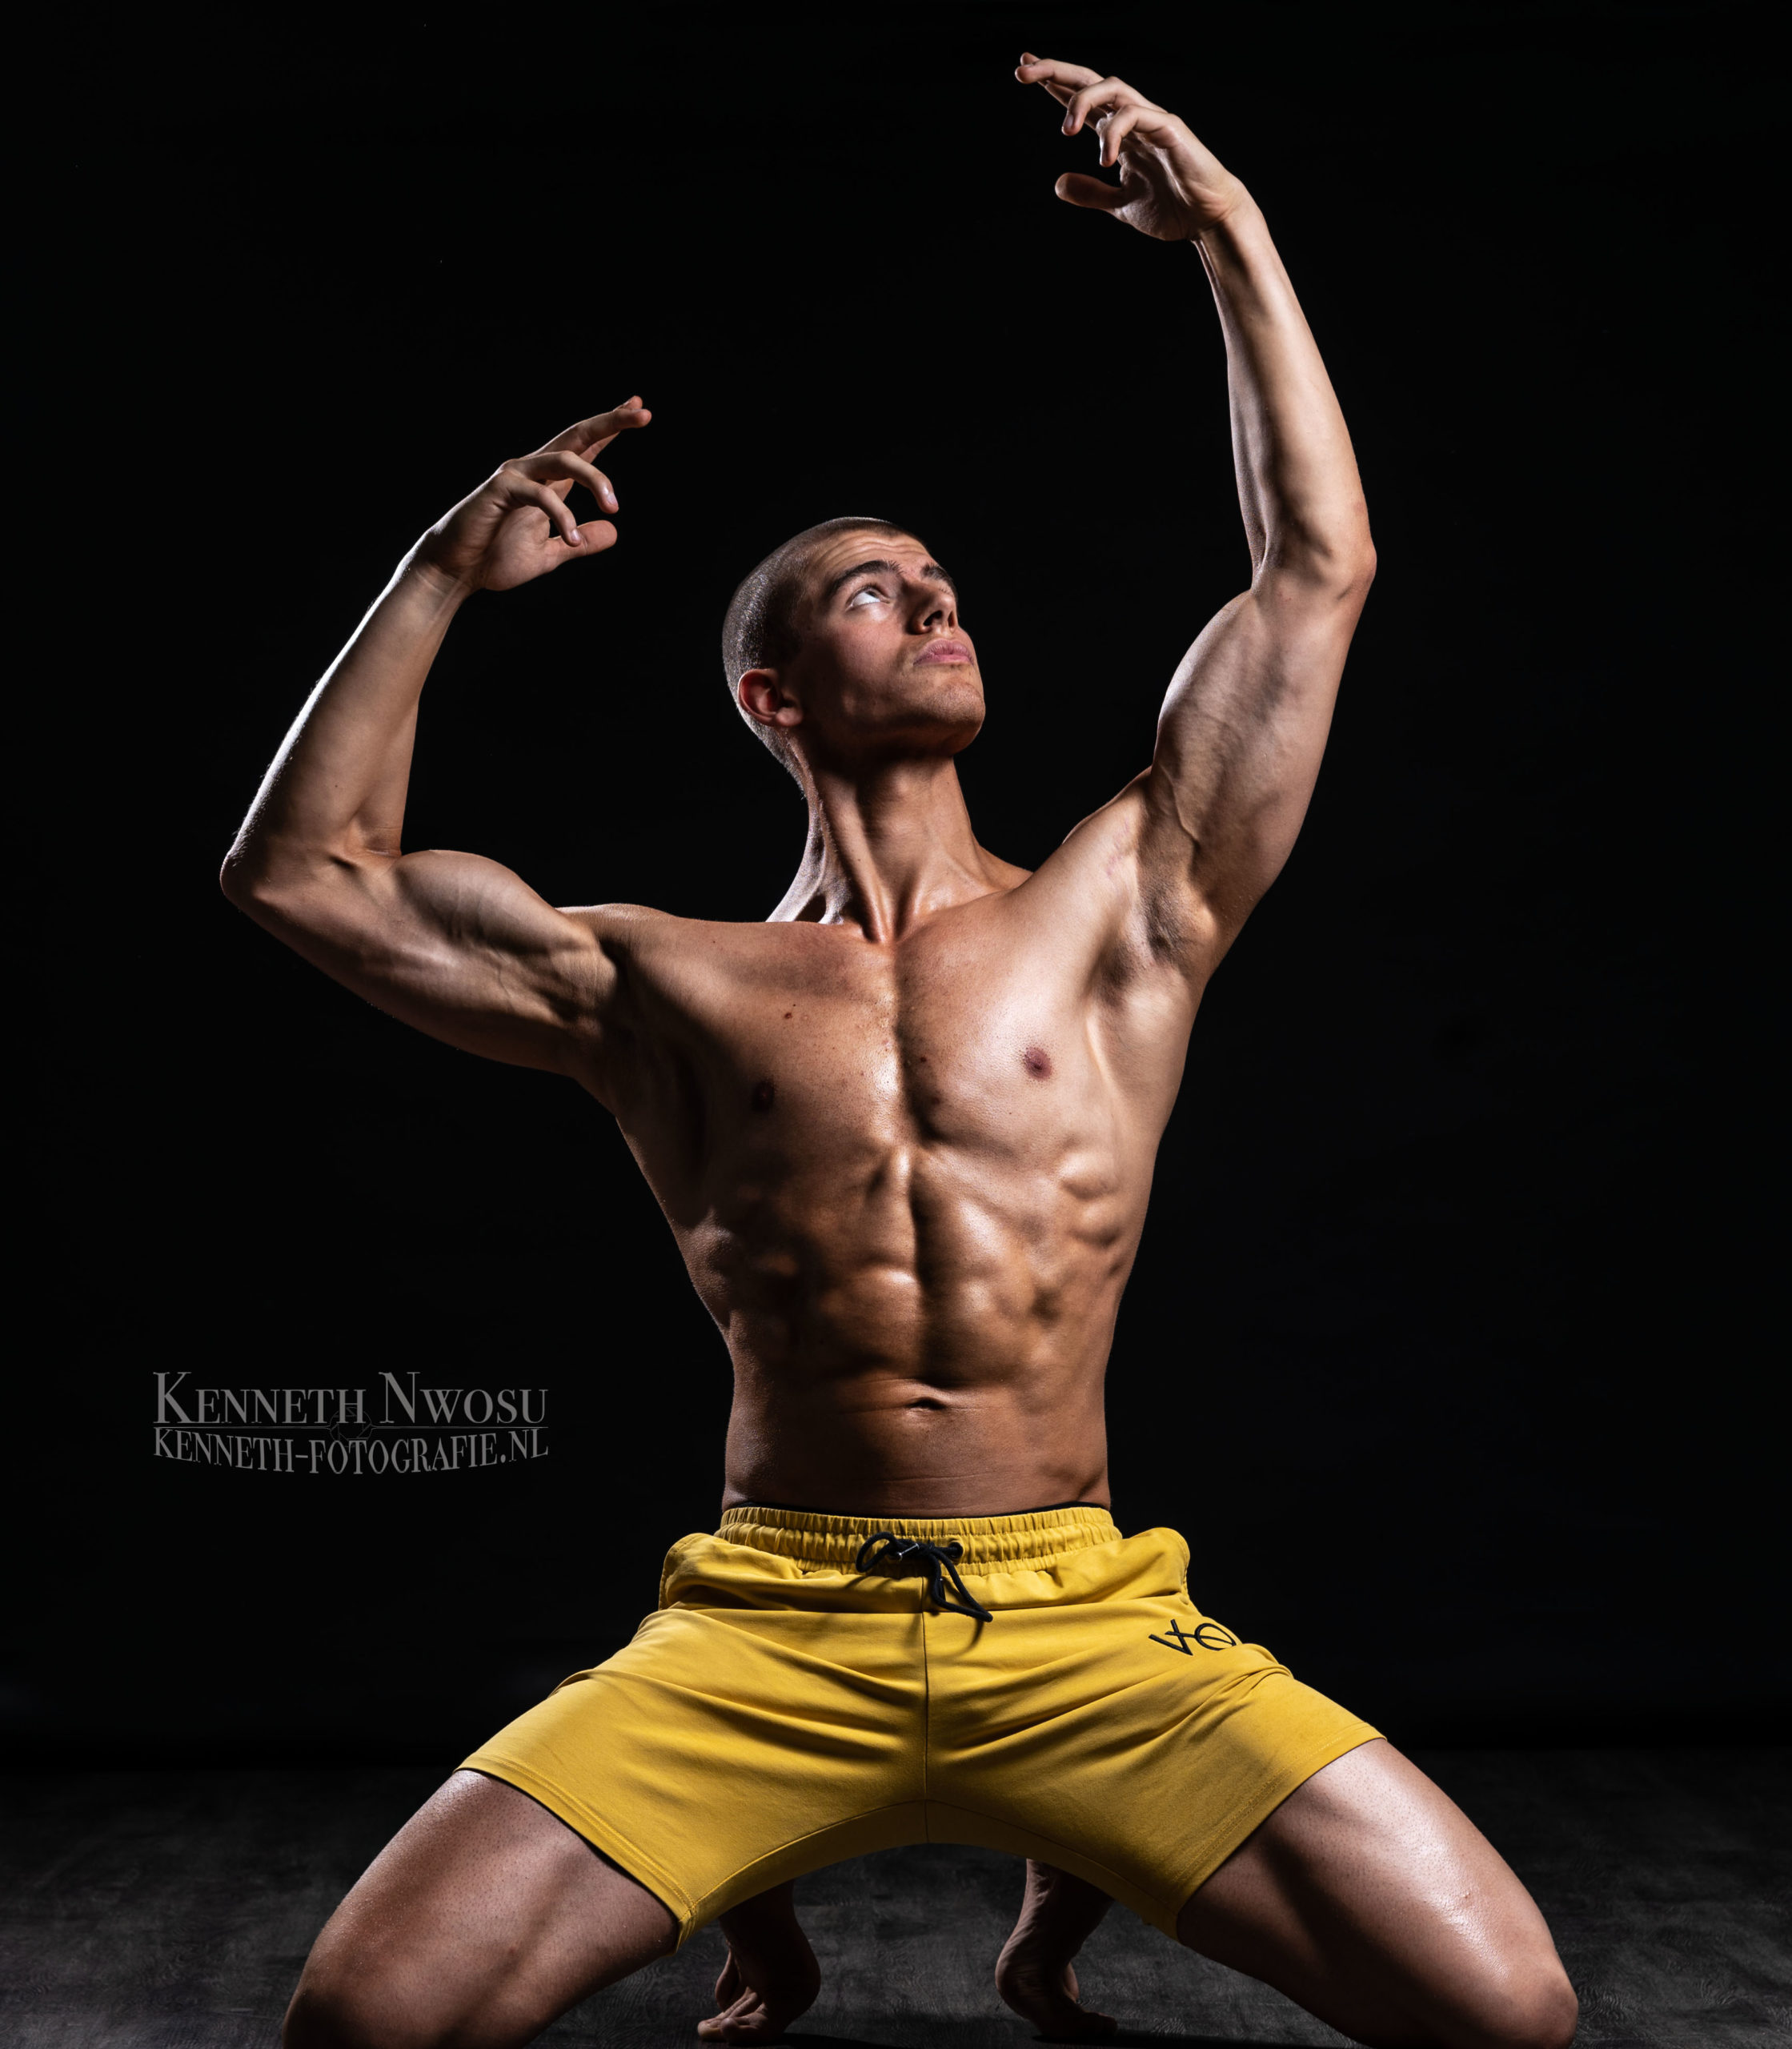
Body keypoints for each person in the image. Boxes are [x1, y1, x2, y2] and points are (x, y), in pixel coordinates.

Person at [223, 52, 1578, 2049]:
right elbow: (304, 874)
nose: (938, 600)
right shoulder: (660, 982)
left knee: (1508, 2012)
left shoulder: (1125, 905)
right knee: (365, 2024)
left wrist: (1226, 233)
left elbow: (1314, 572)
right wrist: (435, 572)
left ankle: (1056, 1849)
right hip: (769, 1628)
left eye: (941, 583)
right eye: (877, 592)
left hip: (1089, 1628)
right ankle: (786, 1863)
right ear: (773, 693)